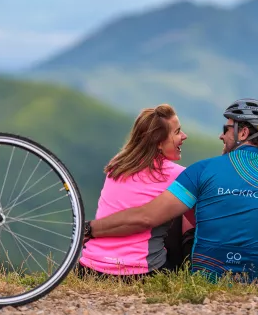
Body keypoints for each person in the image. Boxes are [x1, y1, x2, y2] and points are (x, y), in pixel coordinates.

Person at [83, 98, 258, 283]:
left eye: (227, 128)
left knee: (183, 203)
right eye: (178, 132)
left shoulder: (200, 171)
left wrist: (89, 229)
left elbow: (148, 215)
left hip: (205, 275)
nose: (221, 134)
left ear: (243, 133)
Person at [79, 103, 194, 277]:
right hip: (138, 272)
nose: (184, 136)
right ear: (159, 143)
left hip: (89, 267)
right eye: (177, 132)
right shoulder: (178, 175)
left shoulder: (117, 165)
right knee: (183, 205)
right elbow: (200, 221)